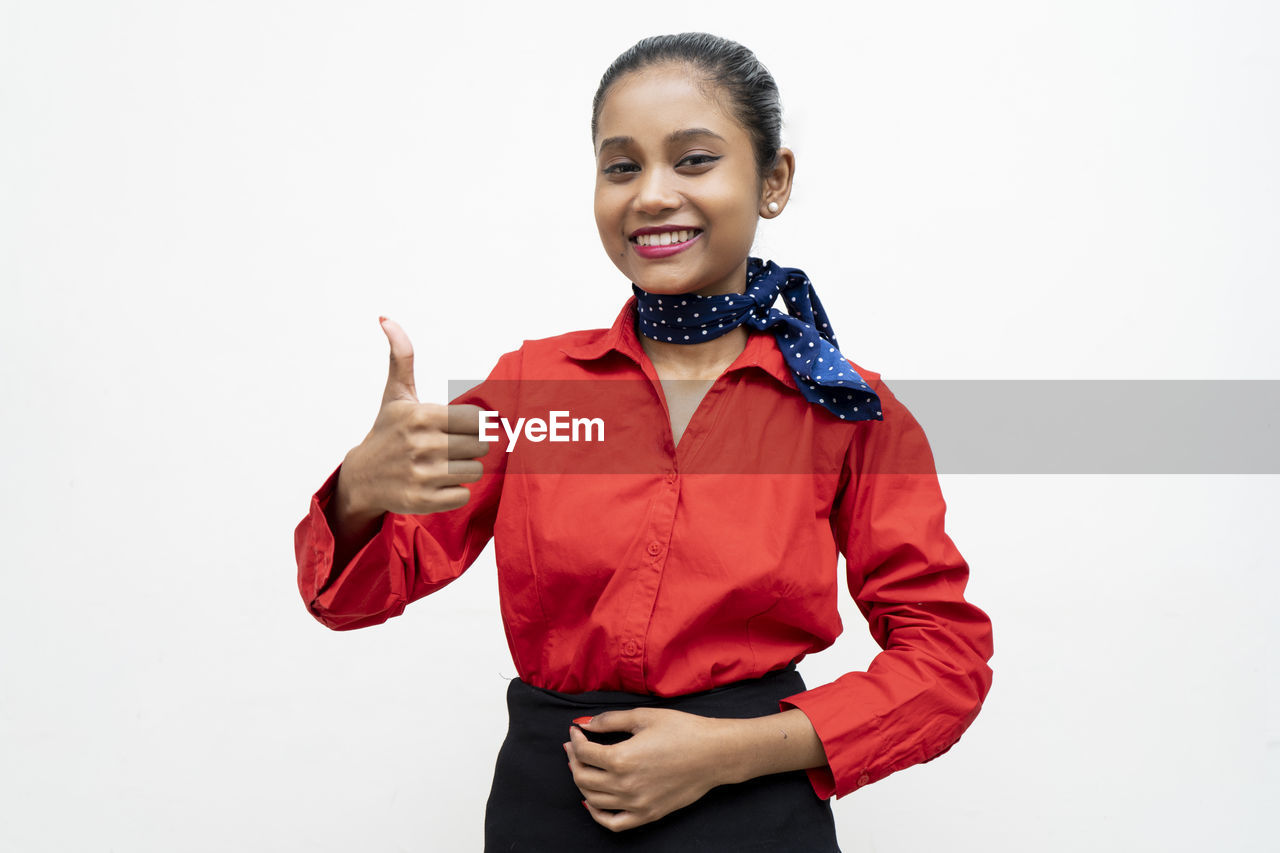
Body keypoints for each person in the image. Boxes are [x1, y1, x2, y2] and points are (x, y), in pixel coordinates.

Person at [294, 32, 994, 852]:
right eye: (621, 167)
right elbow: (349, 596)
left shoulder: (846, 408)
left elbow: (947, 660)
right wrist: (358, 494)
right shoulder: (534, 390)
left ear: (774, 182)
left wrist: (724, 753)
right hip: (545, 818)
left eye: (694, 160)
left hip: (756, 817)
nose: (652, 195)